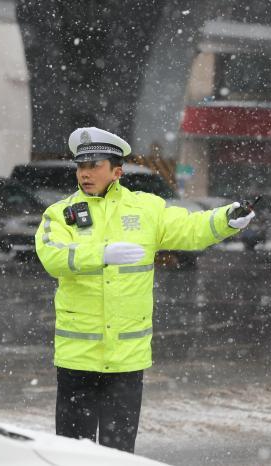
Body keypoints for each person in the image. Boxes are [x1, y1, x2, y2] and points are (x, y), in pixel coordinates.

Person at [34, 127, 255, 453]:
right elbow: (51, 256)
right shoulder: (60, 214)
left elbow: (190, 229)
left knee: (119, 454)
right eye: (81, 167)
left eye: (95, 166)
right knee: (71, 455)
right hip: (76, 360)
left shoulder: (146, 210)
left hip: (127, 361)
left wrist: (226, 220)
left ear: (117, 171)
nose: (85, 174)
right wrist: (101, 256)